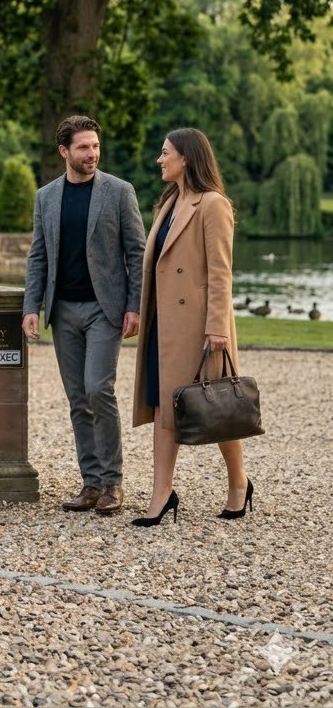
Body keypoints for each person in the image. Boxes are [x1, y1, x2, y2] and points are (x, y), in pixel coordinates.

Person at [22, 115, 146, 515]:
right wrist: (31, 306)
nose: (92, 154)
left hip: (104, 310)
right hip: (62, 311)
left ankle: (113, 482)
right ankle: (91, 483)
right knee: (78, 398)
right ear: (64, 151)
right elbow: (38, 255)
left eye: (95, 146)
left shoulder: (119, 192)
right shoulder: (46, 197)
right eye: (83, 147)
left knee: (98, 389)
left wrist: (135, 306)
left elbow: (137, 254)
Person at [131, 128, 252, 526]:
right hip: (164, 325)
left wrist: (217, 327)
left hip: (199, 326)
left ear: (186, 158)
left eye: (165, 153)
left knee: (218, 407)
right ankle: (161, 494)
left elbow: (221, 271)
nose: (160, 159)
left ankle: (239, 484)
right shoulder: (168, 202)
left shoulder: (213, 204)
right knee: (163, 406)